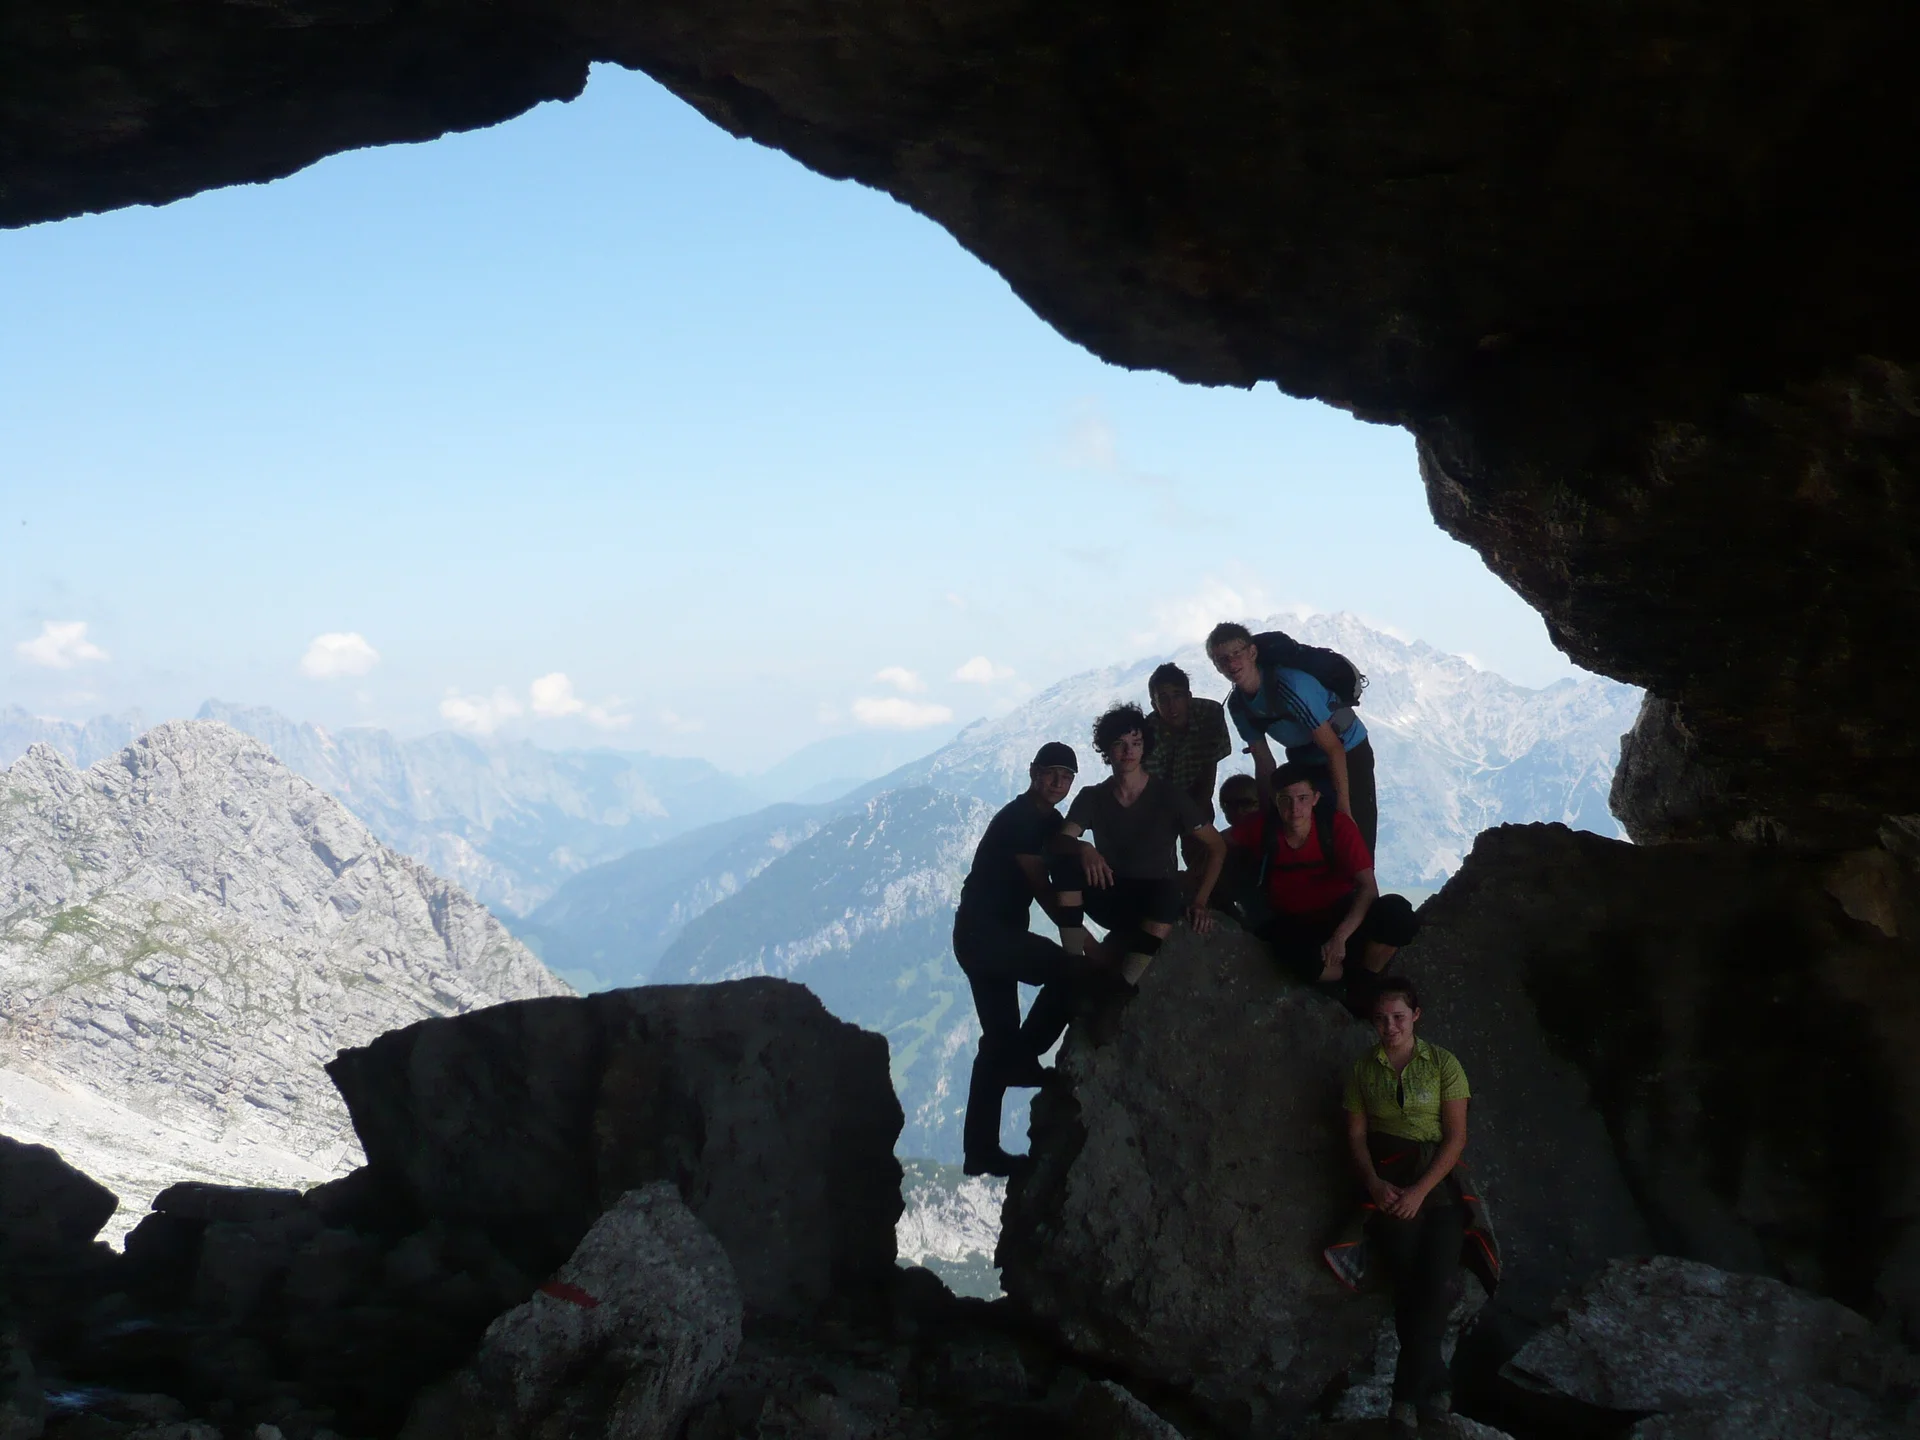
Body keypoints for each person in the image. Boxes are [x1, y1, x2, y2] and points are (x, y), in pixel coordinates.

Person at [1338, 979, 1490, 1433]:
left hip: (1437, 1189)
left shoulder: (1443, 1063)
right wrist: (1375, 1184)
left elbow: (1457, 1136)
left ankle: (1403, 1401)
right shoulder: (1364, 1070)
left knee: (1434, 1288)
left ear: (1416, 1015)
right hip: (1389, 1183)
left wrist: (1421, 1191)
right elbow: (1356, 1136)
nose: (1390, 1026)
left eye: (1398, 1017)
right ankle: (1437, 1390)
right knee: (1411, 1289)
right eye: (1382, 1018)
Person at [952, 741, 1090, 1178]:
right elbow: (1043, 890)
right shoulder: (1019, 821)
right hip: (988, 936)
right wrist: (1087, 943)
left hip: (981, 935)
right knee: (1068, 970)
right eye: (1050, 772)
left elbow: (1066, 844)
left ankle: (980, 1151)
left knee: (995, 1043)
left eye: (1066, 776)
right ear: (1033, 772)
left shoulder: (1045, 819)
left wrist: (1085, 850)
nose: (1057, 782)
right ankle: (1024, 1057)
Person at [1050, 703, 1226, 987]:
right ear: (1107, 751)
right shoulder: (1093, 797)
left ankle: (1123, 985)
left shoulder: (1169, 796)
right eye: (1120, 744)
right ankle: (1073, 961)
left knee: (1169, 890)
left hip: (1152, 902)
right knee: (1064, 862)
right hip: (1108, 894)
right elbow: (1061, 841)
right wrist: (1083, 848)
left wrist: (1200, 901)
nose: (1128, 751)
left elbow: (1217, 846)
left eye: (1135, 743)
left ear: (1145, 747)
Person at [1226, 762, 1417, 1010]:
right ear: (1275, 800)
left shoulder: (1336, 826)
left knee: (1398, 914)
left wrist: (1340, 937)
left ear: (1316, 798)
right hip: (1293, 923)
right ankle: (1345, 978)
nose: (1295, 809)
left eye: (1303, 798)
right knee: (1288, 952)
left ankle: (1363, 980)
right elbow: (1218, 844)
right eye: (1286, 799)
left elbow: (1368, 888)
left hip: (1340, 914)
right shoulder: (1262, 827)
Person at [1205, 621, 1379, 854]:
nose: (1231, 663)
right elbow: (1265, 762)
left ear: (1253, 653)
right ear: (1217, 666)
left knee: (1355, 839)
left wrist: (1345, 809)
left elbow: (1334, 749)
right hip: (1305, 757)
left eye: (1237, 653)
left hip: (1348, 752)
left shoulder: (1289, 686)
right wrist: (1266, 816)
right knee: (1310, 835)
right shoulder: (1238, 705)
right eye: (1222, 659)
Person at [1143, 661, 1232, 824]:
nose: (1172, 705)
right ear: (1154, 706)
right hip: (1158, 797)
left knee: (1203, 839)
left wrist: (1197, 816)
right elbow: (1153, 788)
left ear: (1188, 697)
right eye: (1163, 699)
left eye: (1178, 695)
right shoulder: (1147, 734)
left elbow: (1209, 765)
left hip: (1198, 786)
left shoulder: (1209, 713)